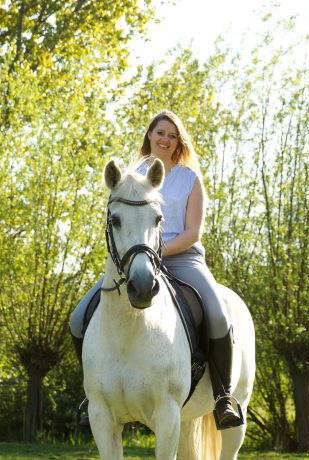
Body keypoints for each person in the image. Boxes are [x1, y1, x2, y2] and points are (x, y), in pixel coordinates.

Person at [69, 110, 242, 429]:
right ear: (149, 135)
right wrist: (138, 256)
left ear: (179, 141)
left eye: (172, 135)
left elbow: (193, 232)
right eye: (160, 133)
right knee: (79, 317)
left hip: (182, 258)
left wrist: (157, 252)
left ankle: (223, 397)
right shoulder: (132, 174)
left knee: (218, 316)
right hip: (134, 263)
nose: (165, 139)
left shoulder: (190, 179)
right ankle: (91, 394)